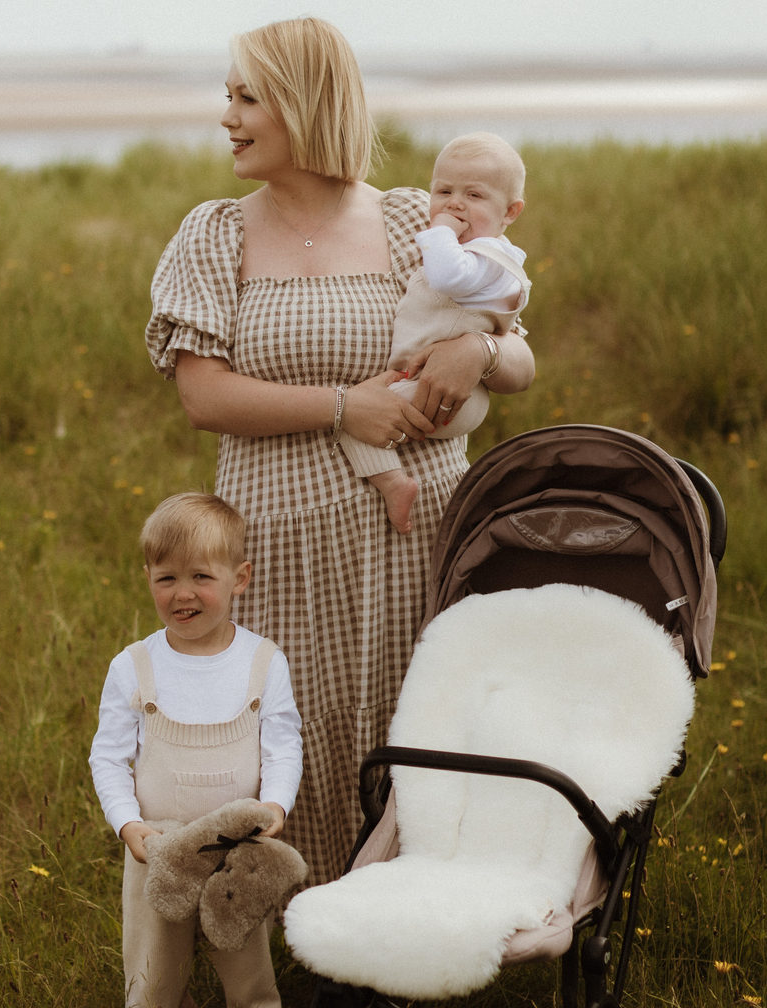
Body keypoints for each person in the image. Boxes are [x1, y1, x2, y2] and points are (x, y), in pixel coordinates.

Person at [145, 17, 534, 889]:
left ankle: (425, 922)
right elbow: (202, 396)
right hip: (279, 539)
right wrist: (340, 407)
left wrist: (481, 349)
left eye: (247, 98)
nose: (228, 118)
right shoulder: (215, 234)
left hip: (421, 532)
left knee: (426, 724)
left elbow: (519, 359)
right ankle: (303, 934)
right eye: (229, 97)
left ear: (304, 103)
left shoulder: (413, 220)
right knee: (291, 729)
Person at [89, 492, 303, 1008]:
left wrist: (275, 803)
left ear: (241, 578)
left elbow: (283, 742)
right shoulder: (134, 666)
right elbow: (108, 759)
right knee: (150, 986)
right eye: (167, 578)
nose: (182, 594)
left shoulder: (262, 660)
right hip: (156, 851)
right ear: (148, 578)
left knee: (253, 983)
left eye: (201, 577)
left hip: (237, 856)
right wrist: (130, 825)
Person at [338, 132, 531, 534]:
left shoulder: (487, 259)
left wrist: (439, 230)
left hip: (439, 392)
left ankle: (394, 485)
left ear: (510, 212)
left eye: (474, 196)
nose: (455, 204)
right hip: (442, 388)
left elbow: (446, 278)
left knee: (354, 423)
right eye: (443, 191)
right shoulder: (478, 256)